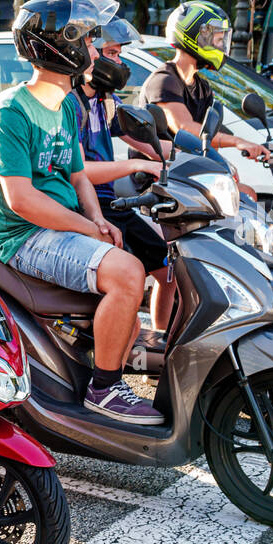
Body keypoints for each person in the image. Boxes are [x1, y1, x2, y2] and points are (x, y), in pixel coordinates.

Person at [0, 0, 163, 426]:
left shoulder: (62, 109)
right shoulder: (9, 112)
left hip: (59, 226)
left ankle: (97, 363)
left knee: (132, 269)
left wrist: (97, 218)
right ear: (64, 45)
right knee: (129, 272)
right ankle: (105, 389)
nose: (96, 51)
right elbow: (20, 200)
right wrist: (85, 227)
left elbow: (77, 176)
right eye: (91, 41)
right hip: (22, 235)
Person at [65, 17, 176, 333]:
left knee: (166, 270)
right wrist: (135, 165)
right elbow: (80, 170)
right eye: (111, 53)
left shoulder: (105, 101)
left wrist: (196, 156)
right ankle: (108, 354)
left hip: (112, 204)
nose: (117, 61)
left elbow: (144, 141)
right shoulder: (71, 105)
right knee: (127, 278)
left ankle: (161, 341)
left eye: (117, 54)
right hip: (81, 207)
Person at [142, 1, 269, 197]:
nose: (221, 46)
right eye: (218, 39)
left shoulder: (202, 88)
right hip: (160, 179)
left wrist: (258, 146)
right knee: (241, 196)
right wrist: (237, 141)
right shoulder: (164, 81)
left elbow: (209, 135)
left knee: (246, 195)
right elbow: (185, 129)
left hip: (189, 175)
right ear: (196, 36)